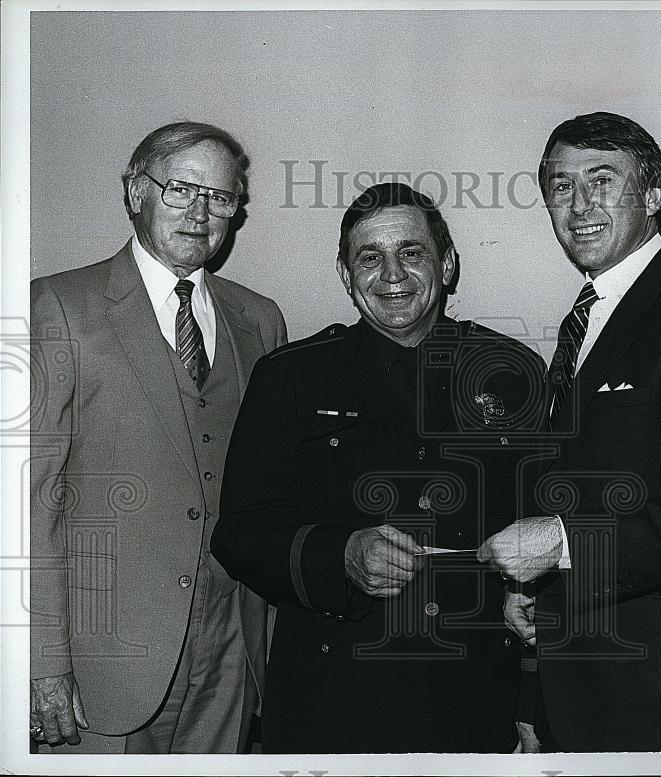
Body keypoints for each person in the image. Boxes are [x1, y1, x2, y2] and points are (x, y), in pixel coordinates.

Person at [211, 182, 546, 753]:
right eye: (370, 257)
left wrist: (531, 706)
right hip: (332, 702)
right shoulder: (291, 377)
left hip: (473, 700)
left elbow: (549, 536)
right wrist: (338, 555)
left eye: (412, 253)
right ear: (346, 274)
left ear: (447, 263)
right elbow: (240, 533)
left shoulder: (513, 372)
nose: (392, 274)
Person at [477, 112, 661, 751]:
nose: (578, 205)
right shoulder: (589, 315)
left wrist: (558, 546)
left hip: (659, 694)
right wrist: (543, 587)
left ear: (655, 199)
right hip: (581, 680)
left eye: (603, 182)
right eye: (559, 186)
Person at [29, 122, 287, 753]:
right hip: (102, 662)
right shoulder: (57, 306)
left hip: (231, 655)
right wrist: (40, 662)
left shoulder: (259, 319)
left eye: (221, 198)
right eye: (180, 190)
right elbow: (23, 502)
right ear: (134, 192)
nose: (201, 213)